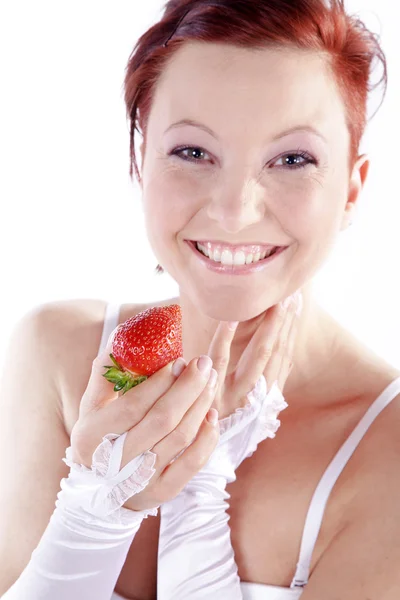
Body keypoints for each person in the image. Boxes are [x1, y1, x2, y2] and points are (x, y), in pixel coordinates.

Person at [1, 0, 399, 599]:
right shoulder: (57, 355)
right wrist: (92, 513)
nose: (235, 210)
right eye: (193, 152)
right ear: (140, 162)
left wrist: (197, 486)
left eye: (293, 159)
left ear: (351, 189)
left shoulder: (386, 447)